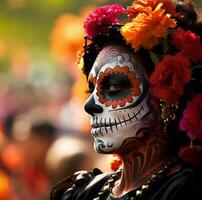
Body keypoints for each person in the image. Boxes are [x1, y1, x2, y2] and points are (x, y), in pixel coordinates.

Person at [51, 0, 202, 199]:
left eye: (114, 88)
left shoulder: (186, 190)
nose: (90, 106)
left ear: (166, 96)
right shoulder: (85, 191)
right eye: (91, 90)